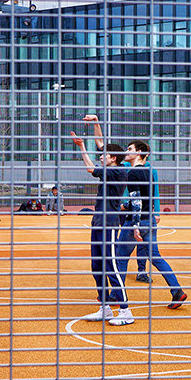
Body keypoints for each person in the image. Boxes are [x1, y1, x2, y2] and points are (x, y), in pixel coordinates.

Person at [71, 114, 134, 326]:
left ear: (113, 158)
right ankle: (105, 308)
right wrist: (96, 122)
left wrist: (81, 147)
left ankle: (125, 310)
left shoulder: (117, 171)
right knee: (97, 265)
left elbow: (90, 167)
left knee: (111, 265)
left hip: (110, 224)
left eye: (105, 155)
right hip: (98, 222)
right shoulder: (111, 166)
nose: (101, 155)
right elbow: (100, 143)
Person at [116, 140, 188, 309]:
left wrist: (132, 223)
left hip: (137, 221)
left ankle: (116, 295)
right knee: (155, 257)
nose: (127, 151)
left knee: (120, 256)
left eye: (129, 149)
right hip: (149, 221)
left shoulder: (133, 173)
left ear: (139, 152)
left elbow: (136, 201)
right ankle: (176, 290)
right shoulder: (148, 172)